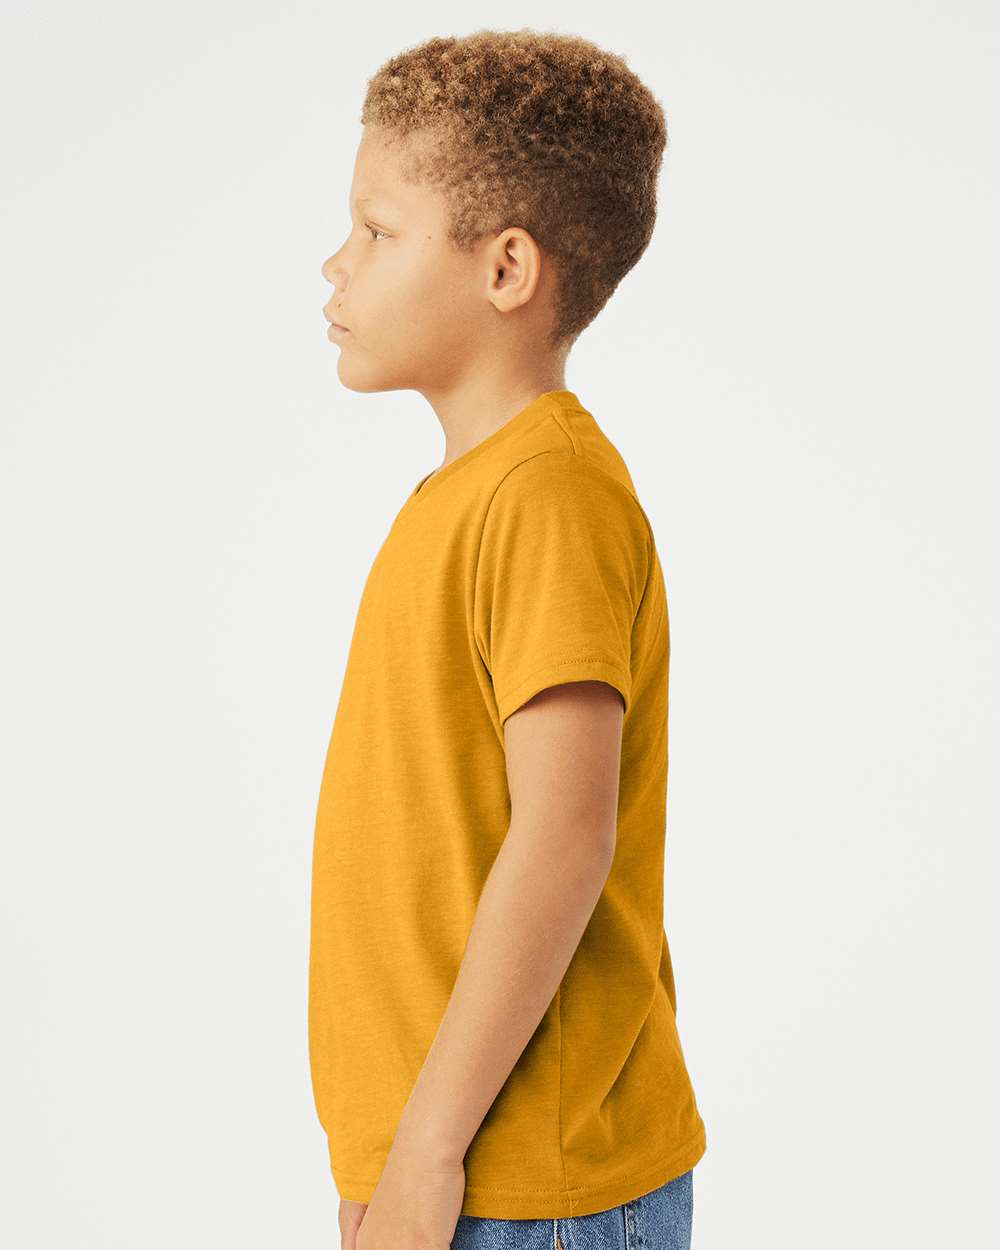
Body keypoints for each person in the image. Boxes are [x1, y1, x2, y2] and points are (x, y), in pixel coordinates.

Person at [309, 28, 707, 1250]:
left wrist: (428, 1151)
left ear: (505, 268)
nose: (335, 263)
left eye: (377, 231)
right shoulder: (468, 496)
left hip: (532, 1187)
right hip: (457, 1174)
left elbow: (563, 835)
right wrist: (393, 1151)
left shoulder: (549, 495)